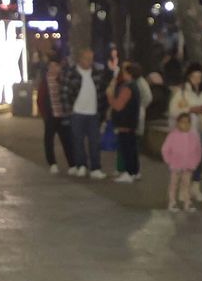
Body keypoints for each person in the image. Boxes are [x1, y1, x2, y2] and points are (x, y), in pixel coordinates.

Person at [167, 63, 202, 201]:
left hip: (201, 129)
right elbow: (173, 111)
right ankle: (183, 189)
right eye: (194, 76)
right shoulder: (182, 91)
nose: (197, 79)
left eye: (199, 76)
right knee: (184, 160)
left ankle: (195, 187)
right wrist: (190, 110)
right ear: (189, 76)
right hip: (185, 132)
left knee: (197, 160)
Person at [65, 47, 110, 179]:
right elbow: (66, 92)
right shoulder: (72, 74)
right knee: (78, 141)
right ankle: (81, 165)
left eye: (91, 59)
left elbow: (102, 92)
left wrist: (102, 110)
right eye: (87, 59)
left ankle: (95, 167)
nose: (89, 62)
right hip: (77, 112)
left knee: (94, 142)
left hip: (93, 113)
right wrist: (69, 110)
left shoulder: (97, 74)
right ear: (80, 59)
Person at [38, 57, 76, 174]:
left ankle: (72, 164)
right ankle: (52, 163)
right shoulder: (45, 81)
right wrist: (44, 114)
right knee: (49, 140)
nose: (54, 68)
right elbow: (40, 99)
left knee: (67, 140)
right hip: (51, 115)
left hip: (63, 115)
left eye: (56, 66)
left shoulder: (63, 79)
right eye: (52, 66)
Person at [106, 63, 142, 183]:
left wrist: (110, 97)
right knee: (132, 148)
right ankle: (135, 171)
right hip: (131, 122)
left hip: (124, 123)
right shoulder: (135, 86)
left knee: (126, 149)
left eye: (125, 72)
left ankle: (128, 172)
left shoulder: (127, 88)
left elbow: (118, 105)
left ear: (129, 74)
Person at [161, 112, 202, 212]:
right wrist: (169, 161)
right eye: (182, 122)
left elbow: (198, 151)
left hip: (188, 166)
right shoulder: (172, 135)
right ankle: (172, 202)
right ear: (177, 123)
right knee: (173, 184)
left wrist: (195, 162)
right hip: (175, 165)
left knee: (187, 185)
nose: (185, 125)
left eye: (187, 122)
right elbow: (165, 149)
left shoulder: (194, 136)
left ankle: (187, 202)